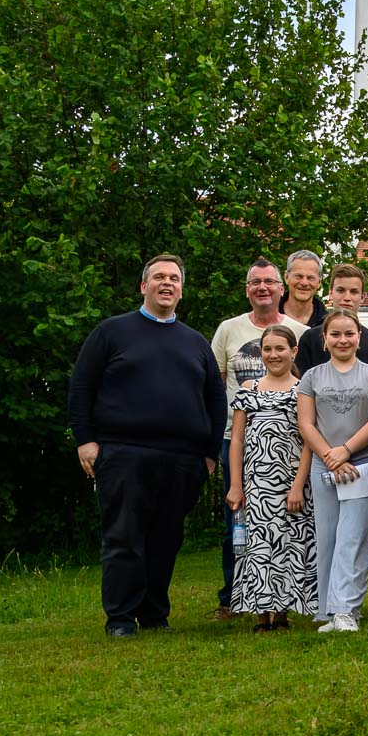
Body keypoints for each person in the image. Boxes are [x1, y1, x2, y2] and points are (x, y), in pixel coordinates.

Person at [68, 254, 226, 636]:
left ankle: (155, 614)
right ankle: (121, 618)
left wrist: (208, 454)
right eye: (159, 277)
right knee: (124, 537)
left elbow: (215, 398)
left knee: (166, 539)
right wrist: (86, 440)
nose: (167, 283)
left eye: (174, 278)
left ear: (182, 288)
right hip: (123, 453)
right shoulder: (112, 332)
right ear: (144, 286)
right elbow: (81, 387)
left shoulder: (194, 342)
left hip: (182, 460)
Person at [208, 259, 309, 620]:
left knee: (291, 533)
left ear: (281, 288)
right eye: (255, 282)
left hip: (292, 463)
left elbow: (309, 419)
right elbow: (215, 384)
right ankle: (233, 599)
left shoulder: (302, 331)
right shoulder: (228, 330)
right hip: (242, 452)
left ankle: (286, 605)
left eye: (269, 281)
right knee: (238, 529)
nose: (262, 287)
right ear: (247, 288)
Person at [297, 308, 368, 632]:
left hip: (362, 464)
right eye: (335, 334)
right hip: (324, 465)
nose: (343, 339)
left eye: (349, 333)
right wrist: (330, 455)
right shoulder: (312, 377)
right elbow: (306, 422)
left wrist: (346, 451)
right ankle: (328, 610)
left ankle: (348, 610)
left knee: (354, 538)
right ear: (324, 340)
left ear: (359, 337)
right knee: (329, 538)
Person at [225, 324, 316, 629]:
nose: (273, 355)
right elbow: (236, 440)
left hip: (291, 481)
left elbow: (308, 441)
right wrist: (236, 485)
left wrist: (298, 486)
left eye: (280, 349)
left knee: (289, 543)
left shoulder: (303, 390)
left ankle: (284, 611)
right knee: (259, 545)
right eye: (267, 349)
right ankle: (262, 612)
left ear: (294, 352)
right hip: (256, 483)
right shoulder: (248, 390)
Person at [295, 263, 368, 377]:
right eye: (341, 290)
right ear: (330, 294)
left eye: (354, 292)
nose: (347, 298)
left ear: (362, 297)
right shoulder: (310, 340)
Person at [281, 249, 328, 328]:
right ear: (286, 277)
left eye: (310, 278)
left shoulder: (327, 324)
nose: (304, 283)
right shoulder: (268, 316)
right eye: (298, 276)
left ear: (319, 282)